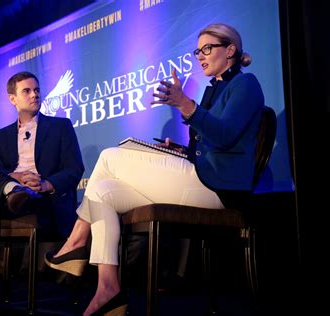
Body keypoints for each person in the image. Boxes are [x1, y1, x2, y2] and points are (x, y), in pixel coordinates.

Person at [44, 23, 265, 315]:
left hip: (219, 189)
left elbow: (225, 136)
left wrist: (186, 104)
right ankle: (108, 289)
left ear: (231, 50)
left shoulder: (245, 84)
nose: (200, 55)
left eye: (207, 48)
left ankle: (76, 241)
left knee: (110, 157)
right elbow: (211, 145)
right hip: (201, 178)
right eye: (198, 50)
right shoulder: (216, 89)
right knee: (102, 191)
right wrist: (181, 150)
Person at [0, 71, 84, 310]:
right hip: (8, 199)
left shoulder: (60, 126)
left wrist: (44, 184)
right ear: (13, 99)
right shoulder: (0, 137)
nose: (35, 95)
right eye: (27, 91)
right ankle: (10, 189)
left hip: (40, 199)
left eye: (37, 90)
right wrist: (15, 178)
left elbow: (74, 169)